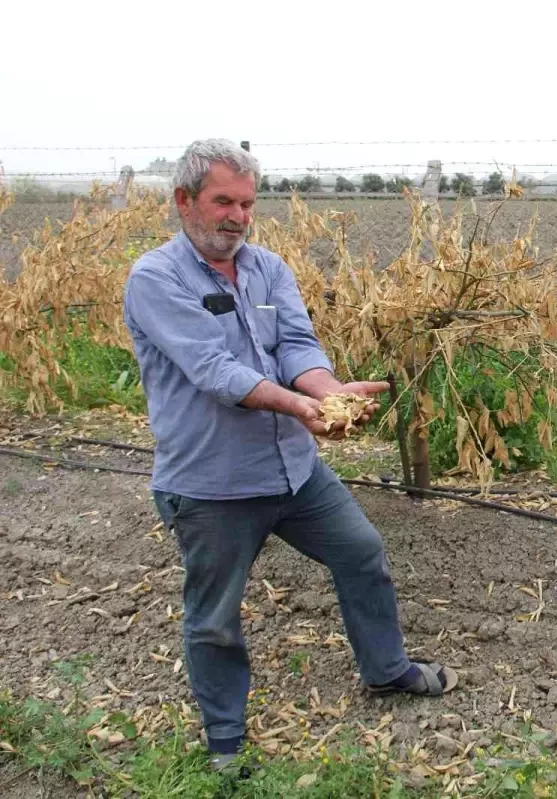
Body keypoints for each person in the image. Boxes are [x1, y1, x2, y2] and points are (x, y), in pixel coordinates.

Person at [123, 139, 456, 772]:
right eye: (224, 201)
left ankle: (386, 671)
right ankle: (225, 742)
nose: (238, 217)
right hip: (212, 484)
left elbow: (296, 345)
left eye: (247, 204)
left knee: (361, 554)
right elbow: (213, 369)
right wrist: (299, 408)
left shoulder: (268, 270)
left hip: (293, 470)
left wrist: (329, 396)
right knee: (215, 616)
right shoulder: (156, 279)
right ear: (184, 201)